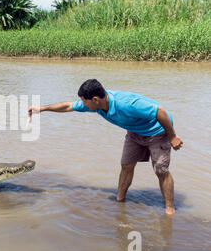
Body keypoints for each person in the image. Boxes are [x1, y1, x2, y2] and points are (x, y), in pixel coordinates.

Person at [28, 79, 183, 215]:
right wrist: (41, 109)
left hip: (158, 130)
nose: (83, 104)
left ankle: (169, 209)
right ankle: (120, 201)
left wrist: (172, 136)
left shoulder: (126, 103)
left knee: (161, 171)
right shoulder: (95, 104)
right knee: (126, 165)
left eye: (84, 101)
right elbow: (68, 106)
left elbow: (160, 111)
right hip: (135, 131)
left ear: (95, 99)